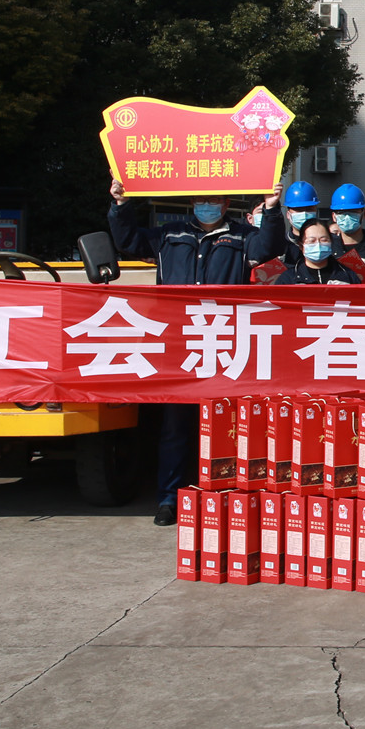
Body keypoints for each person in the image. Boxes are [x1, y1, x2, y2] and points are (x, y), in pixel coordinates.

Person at [106, 177, 253, 527]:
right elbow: (128, 241)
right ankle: (169, 498)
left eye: (214, 200)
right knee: (175, 426)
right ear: (191, 202)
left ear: (226, 203)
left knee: (225, 424)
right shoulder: (169, 235)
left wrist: (273, 209)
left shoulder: (242, 237)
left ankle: (224, 494)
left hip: (224, 342)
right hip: (179, 344)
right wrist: (121, 205)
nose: (207, 205)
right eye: (201, 199)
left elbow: (270, 244)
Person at [249, 179, 323, 275]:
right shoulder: (280, 244)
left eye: (309, 209)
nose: (304, 213)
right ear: (288, 214)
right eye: (298, 209)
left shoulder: (326, 243)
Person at [276, 218, 364, 284]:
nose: (318, 244)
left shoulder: (348, 276)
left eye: (324, 240)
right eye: (311, 241)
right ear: (301, 245)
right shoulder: (288, 279)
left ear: (331, 242)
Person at [328, 183, 365, 277]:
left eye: (353, 211)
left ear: (364, 214)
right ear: (334, 217)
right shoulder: (327, 249)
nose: (347, 217)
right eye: (341, 212)